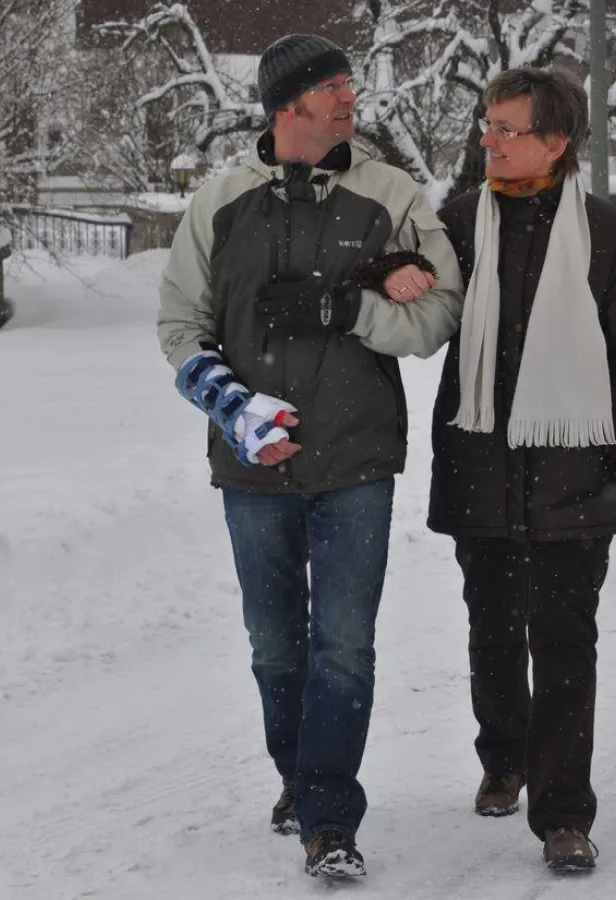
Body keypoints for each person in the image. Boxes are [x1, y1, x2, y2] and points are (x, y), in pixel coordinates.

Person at [157, 33, 461, 879]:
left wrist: (346, 309)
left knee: (343, 645)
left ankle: (328, 817)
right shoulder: (219, 202)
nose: (349, 100)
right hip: (253, 466)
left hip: (356, 458)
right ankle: (299, 776)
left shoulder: (391, 195)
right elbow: (180, 327)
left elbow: (437, 317)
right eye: (333, 88)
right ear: (287, 105)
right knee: (274, 646)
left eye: (349, 86)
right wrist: (233, 407)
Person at [428, 67, 616, 871]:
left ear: (555, 142)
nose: (487, 140)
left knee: (565, 643)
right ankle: (503, 757)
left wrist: (613, 447)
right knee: (493, 628)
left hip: (576, 474)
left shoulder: (604, 233)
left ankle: (563, 813)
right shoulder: (458, 224)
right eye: (486, 125)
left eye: (506, 128)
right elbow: (418, 310)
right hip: (479, 465)